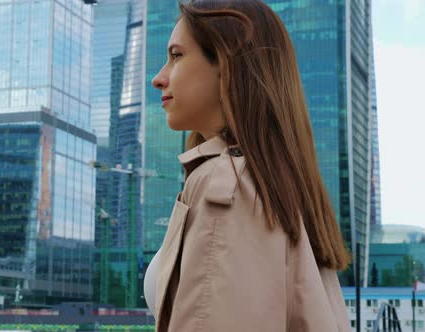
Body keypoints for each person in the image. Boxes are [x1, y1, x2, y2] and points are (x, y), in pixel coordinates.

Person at [143, 0, 352, 331]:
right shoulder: (272, 183)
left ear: (226, 63)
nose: (158, 78)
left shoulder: (229, 184)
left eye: (177, 55)